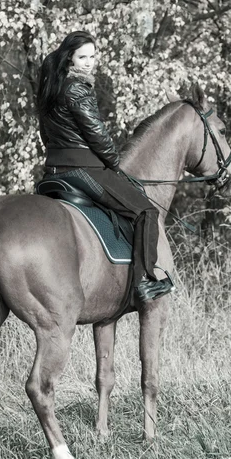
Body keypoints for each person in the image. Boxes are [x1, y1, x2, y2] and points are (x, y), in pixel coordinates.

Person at [36, 30, 173, 304]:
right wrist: (113, 162)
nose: (89, 62)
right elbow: (96, 134)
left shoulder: (50, 88)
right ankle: (145, 282)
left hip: (53, 171)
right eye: (82, 57)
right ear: (69, 59)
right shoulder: (77, 88)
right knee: (146, 210)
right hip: (83, 169)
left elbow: (44, 134)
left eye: (92, 56)